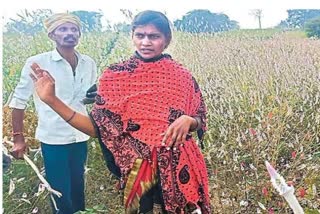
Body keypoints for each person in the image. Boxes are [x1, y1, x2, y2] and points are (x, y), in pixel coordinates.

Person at [29, 10, 211, 213]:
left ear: (166, 40)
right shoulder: (116, 76)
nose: (145, 42)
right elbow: (97, 128)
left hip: (179, 164)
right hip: (138, 167)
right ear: (132, 36)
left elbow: (199, 116)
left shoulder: (181, 76)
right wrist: (52, 100)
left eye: (154, 36)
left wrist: (189, 120)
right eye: (140, 35)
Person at [9, 13, 97, 214]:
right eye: (62, 29)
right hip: (53, 138)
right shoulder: (38, 63)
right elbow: (18, 101)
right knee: (59, 193)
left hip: (80, 135)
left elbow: (84, 97)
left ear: (79, 34)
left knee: (78, 188)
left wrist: (94, 97)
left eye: (74, 29)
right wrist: (18, 139)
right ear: (52, 35)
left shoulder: (88, 63)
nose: (69, 34)